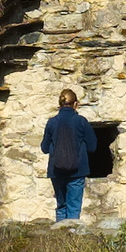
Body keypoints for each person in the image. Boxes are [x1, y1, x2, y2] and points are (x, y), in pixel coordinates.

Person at [41, 90, 99, 224]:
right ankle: (72, 239)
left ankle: (59, 237)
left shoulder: (51, 122)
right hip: (77, 171)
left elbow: (44, 148)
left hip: (56, 171)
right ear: (76, 104)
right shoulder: (81, 121)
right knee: (74, 207)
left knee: (61, 206)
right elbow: (92, 146)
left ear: (59, 104)